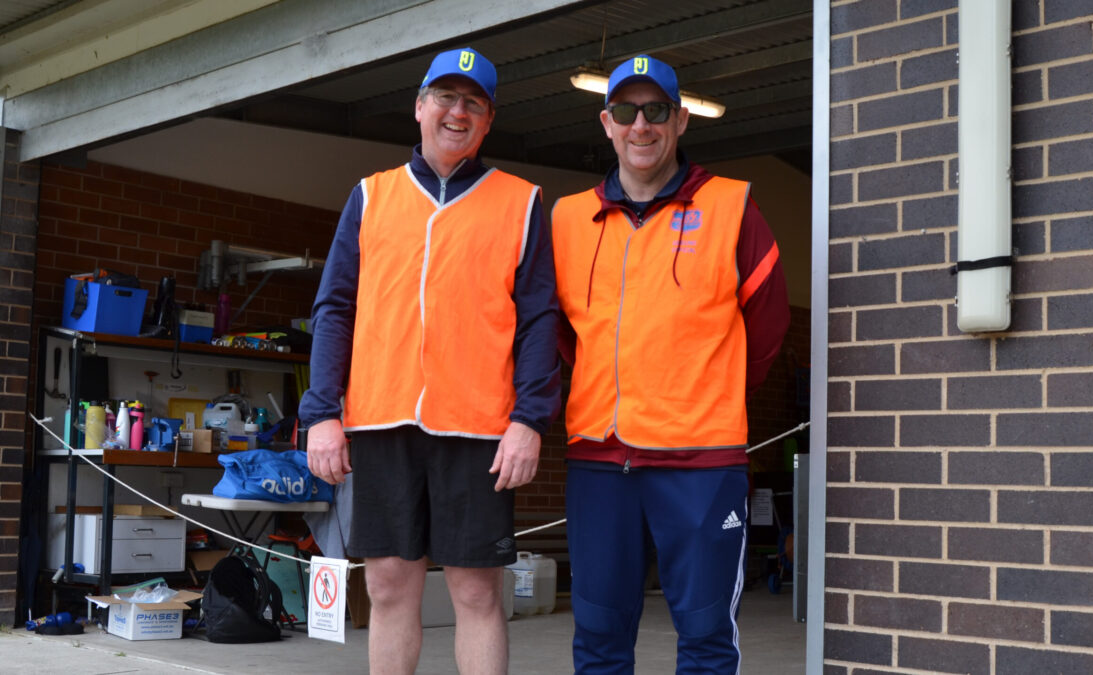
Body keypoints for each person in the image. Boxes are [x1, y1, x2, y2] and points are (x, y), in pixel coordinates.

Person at [300, 47, 560, 674]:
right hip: (382, 422)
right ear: (419, 107)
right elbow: (334, 309)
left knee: (475, 593)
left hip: (479, 431)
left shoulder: (521, 203)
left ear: (488, 121)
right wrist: (321, 413)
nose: (458, 111)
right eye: (445, 96)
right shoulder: (371, 196)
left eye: (474, 102)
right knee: (389, 587)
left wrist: (531, 418)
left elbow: (541, 320)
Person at [550, 55, 790, 674]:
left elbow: (767, 329)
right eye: (626, 112)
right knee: (598, 639)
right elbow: (557, 335)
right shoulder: (568, 219)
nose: (641, 126)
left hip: (701, 464)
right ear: (607, 123)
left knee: (707, 637)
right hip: (599, 461)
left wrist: (708, 393)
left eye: (656, 111)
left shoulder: (733, 208)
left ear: (681, 120)